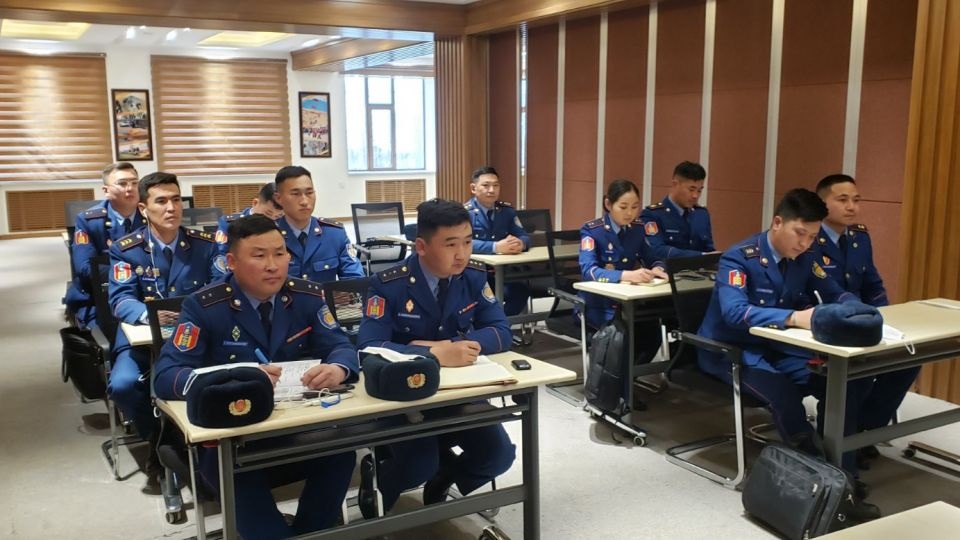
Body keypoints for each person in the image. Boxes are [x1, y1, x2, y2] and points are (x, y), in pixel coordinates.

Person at [154, 214, 358, 539]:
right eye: (259, 255)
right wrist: (235, 377)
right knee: (247, 497)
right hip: (232, 440)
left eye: (279, 253)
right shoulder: (204, 306)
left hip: (296, 426)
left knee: (341, 453)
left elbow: (342, 347)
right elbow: (167, 376)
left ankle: (311, 531)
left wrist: (338, 368)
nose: (272, 265)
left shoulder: (307, 296)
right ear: (232, 262)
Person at [697, 188, 879, 520]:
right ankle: (826, 484)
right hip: (730, 351)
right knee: (784, 397)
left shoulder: (805, 257)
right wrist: (794, 318)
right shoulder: (739, 258)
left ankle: (842, 474)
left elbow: (834, 293)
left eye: (812, 237)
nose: (805, 243)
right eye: (800, 233)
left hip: (777, 347)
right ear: (778, 222)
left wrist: (858, 312)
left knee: (840, 385)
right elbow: (735, 313)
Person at [356, 198, 515, 517]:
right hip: (404, 396)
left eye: (467, 242)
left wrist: (455, 346)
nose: (462, 253)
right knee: (417, 465)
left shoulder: (473, 276)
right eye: (451, 244)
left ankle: (445, 477)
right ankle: (377, 497)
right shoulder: (389, 285)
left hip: (458, 391)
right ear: (421, 246)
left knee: (499, 455)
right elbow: (369, 346)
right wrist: (431, 353)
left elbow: (501, 331)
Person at [107, 172, 226, 473]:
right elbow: (120, 300)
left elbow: (221, 288)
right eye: (161, 201)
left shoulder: (204, 245)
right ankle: (157, 439)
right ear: (143, 209)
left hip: (198, 336)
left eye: (176, 200)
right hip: (144, 339)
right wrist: (149, 315)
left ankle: (211, 445)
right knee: (123, 385)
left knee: (223, 375)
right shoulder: (127, 249)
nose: (171, 208)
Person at [814, 174, 918, 469]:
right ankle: (840, 463)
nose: (852, 207)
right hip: (830, 327)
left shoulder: (859, 237)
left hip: (864, 323)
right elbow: (822, 293)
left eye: (856, 200)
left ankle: (863, 432)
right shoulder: (809, 239)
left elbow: (873, 285)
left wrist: (883, 318)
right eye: (842, 200)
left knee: (907, 362)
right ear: (821, 203)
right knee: (853, 378)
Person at [579, 179, 667, 366]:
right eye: (623, 207)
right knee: (623, 336)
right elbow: (589, 271)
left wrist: (658, 269)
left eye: (635, 207)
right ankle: (619, 378)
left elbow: (654, 258)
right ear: (608, 204)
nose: (629, 213)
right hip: (600, 304)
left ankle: (629, 375)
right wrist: (627, 275)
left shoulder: (637, 229)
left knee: (653, 331)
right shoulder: (593, 231)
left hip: (630, 302)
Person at [64, 162, 145, 327]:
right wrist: (137, 271)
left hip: (147, 294)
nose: (130, 188)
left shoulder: (150, 216)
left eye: (134, 183)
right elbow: (86, 269)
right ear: (106, 191)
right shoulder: (89, 221)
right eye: (122, 184)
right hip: (100, 297)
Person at [272, 165, 365, 283]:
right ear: (278, 198)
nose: (304, 201)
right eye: (295, 194)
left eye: (309, 193)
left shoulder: (334, 234)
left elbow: (354, 278)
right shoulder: (269, 235)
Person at [464, 166, 531, 316]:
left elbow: (524, 236)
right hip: (475, 273)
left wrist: (520, 244)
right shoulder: (464, 213)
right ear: (473, 188)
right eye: (486, 185)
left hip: (504, 272)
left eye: (496, 185)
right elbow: (463, 243)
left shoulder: (507, 211)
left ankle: (501, 324)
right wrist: (495, 247)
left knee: (520, 291)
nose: (491, 190)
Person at [641, 161, 716, 260]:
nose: (695, 195)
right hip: (667, 269)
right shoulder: (653, 214)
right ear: (675, 184)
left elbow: (709, 250)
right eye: (691, 189)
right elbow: (657, 250)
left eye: (699, 190)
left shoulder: (701, 214)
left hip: (701, 269)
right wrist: (700, 256)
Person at [214, 182, 284, 254]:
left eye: (278, 216)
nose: (272, 218)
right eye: (268, 213)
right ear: (255, 203)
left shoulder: (284, 224)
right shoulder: (229, 224)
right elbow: (220, 254)